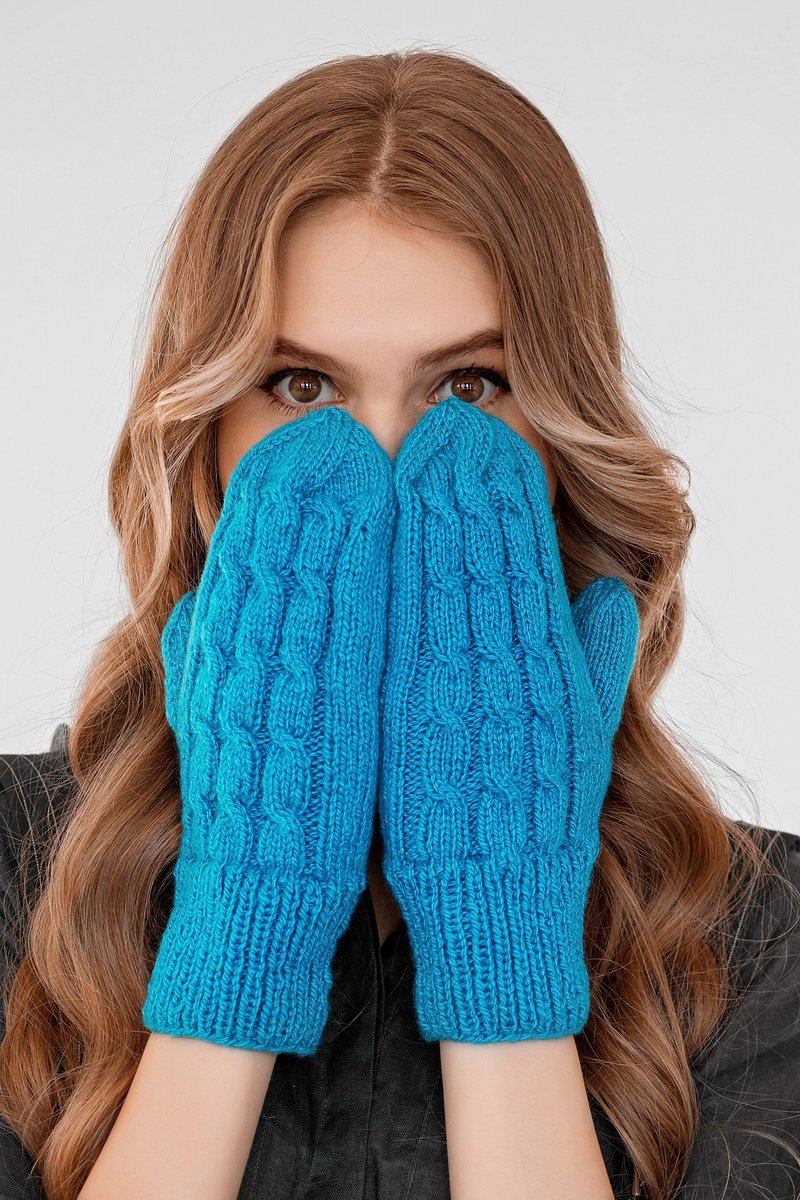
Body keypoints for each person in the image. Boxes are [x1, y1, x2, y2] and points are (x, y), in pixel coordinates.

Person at [0, 47, 798, 1200]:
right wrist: (247, 915)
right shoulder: (14, 873)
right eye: (301, 388)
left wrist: (500, 943)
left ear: (563, 439)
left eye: (465, 389)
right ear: (205, 441)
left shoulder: (760, 946)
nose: (382, 471)